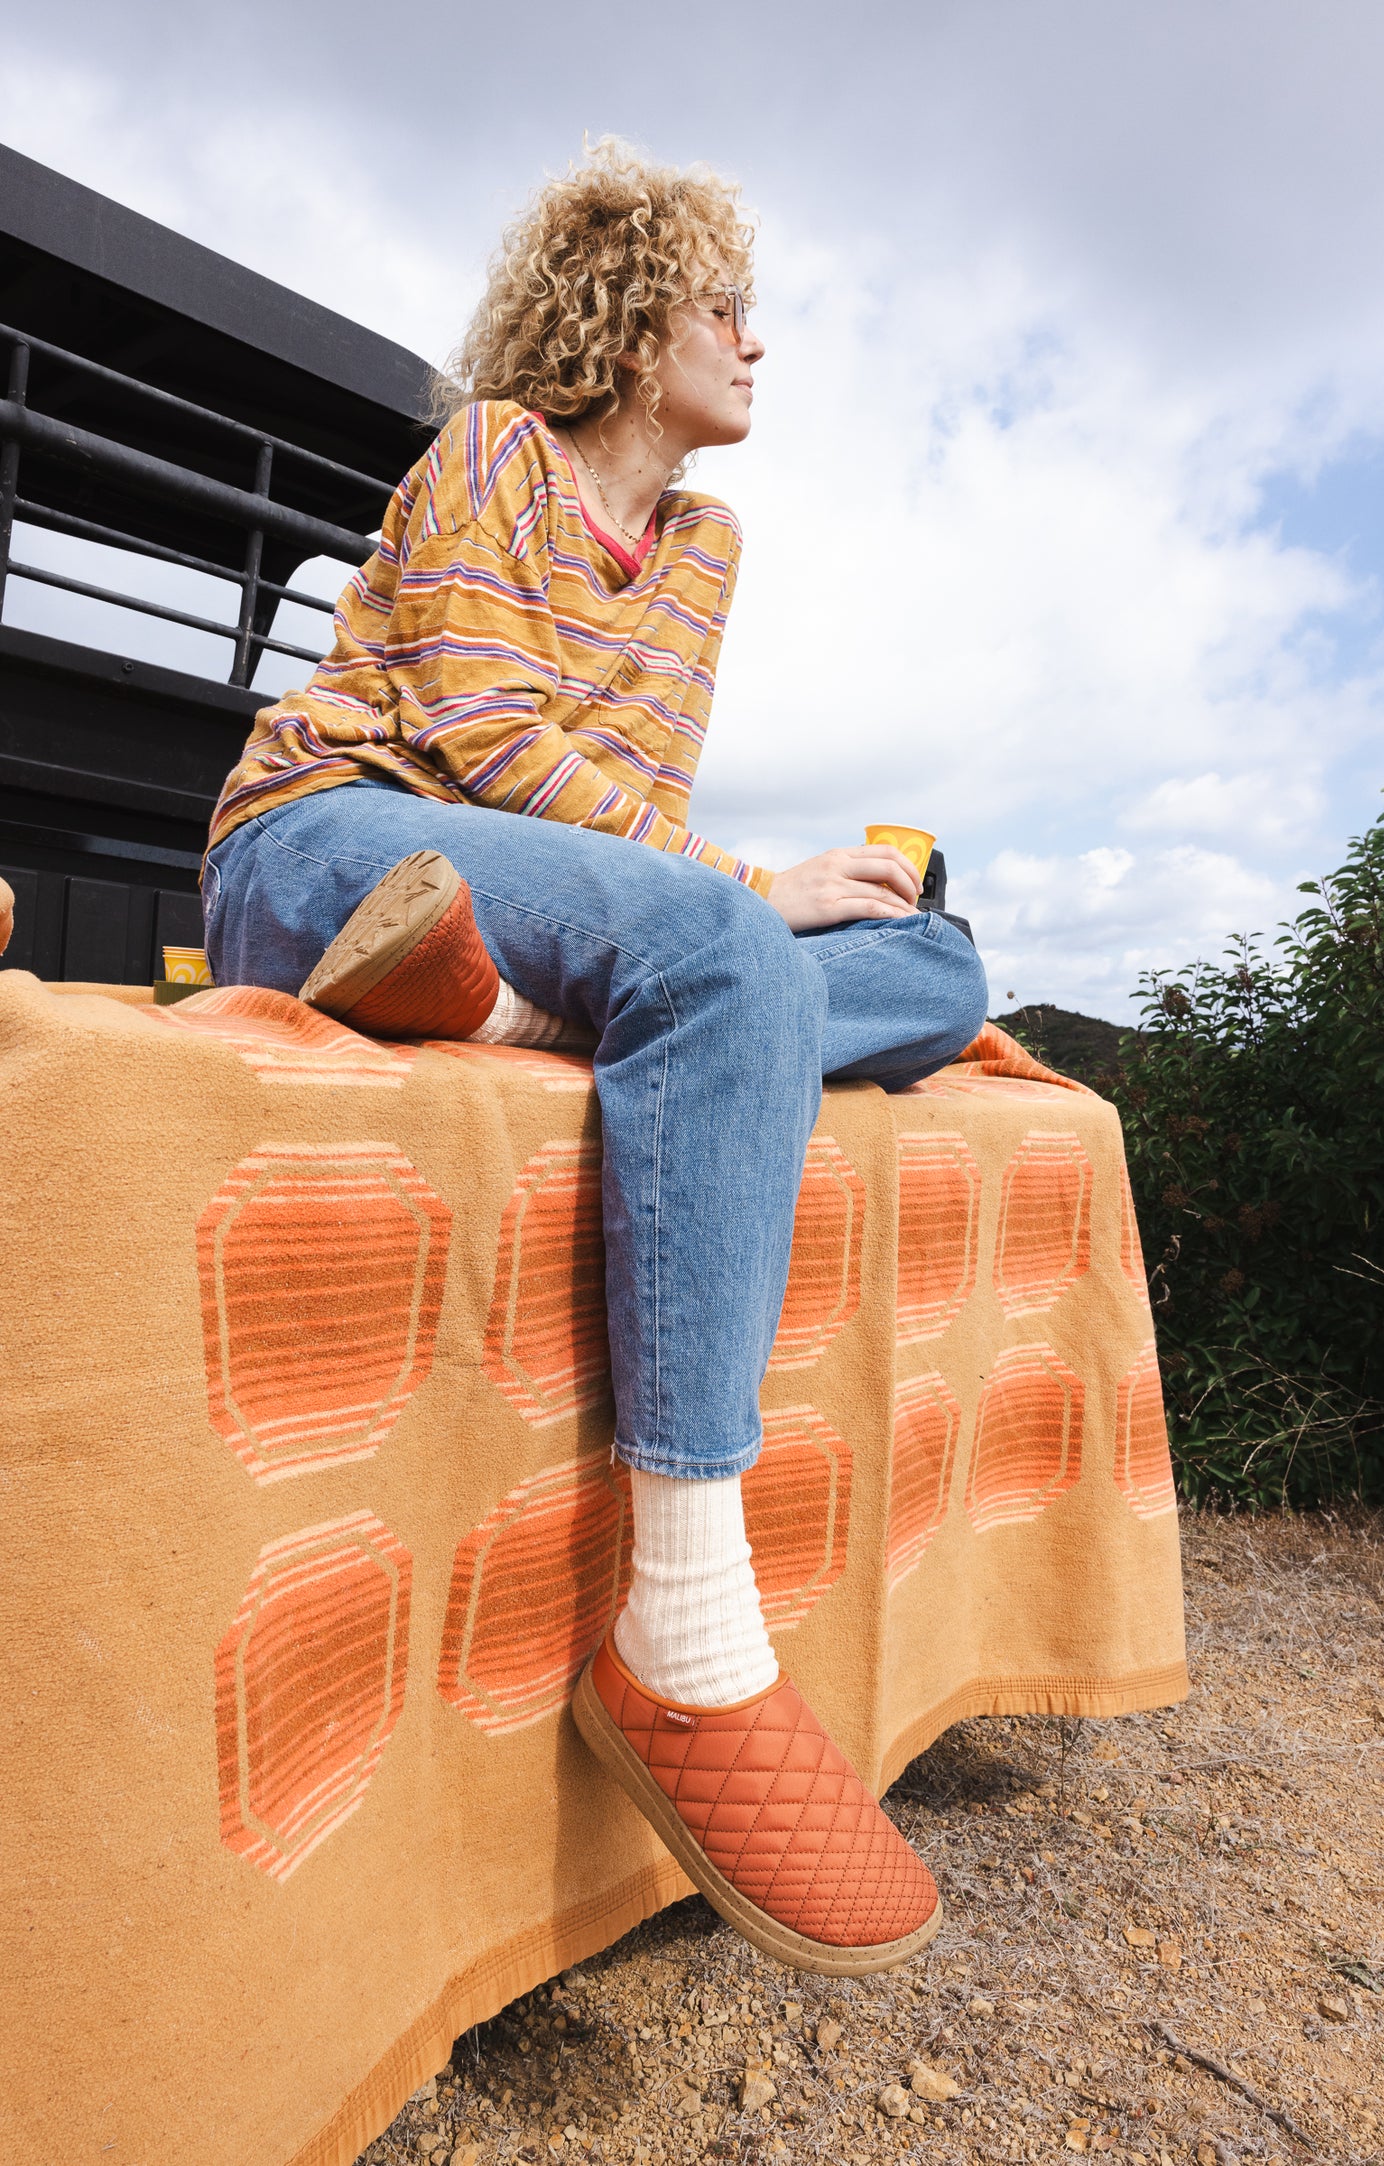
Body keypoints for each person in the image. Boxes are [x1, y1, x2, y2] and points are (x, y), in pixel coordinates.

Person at [203, 140, 988, 1975]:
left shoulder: (703, 549)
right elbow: (479, 732)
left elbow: (638, 803)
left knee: (937, 962)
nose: (755, 346)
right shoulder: (491, 451)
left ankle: (499, 1001)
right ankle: (685, 1638)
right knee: (728, 938)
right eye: (728, 309)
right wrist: (731, 899)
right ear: (632, 315)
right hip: (331, 839)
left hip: (522, 898)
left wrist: (732, 904)